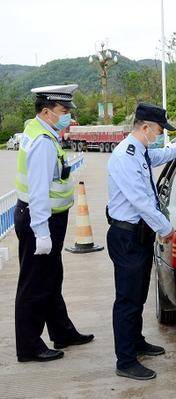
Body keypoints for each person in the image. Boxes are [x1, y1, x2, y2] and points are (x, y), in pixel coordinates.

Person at [14, 84, 94, 363]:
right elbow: (37, 192)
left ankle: (62, 331)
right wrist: (41, 233)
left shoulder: (39, 131)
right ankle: (29, 346)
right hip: (40, 219)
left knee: (50, 278)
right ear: (47, 112)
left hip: (45, 218)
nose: (68, 116)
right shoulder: (43, 143)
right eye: (63, 111)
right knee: (34, 284)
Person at [106, 103, 176, 380]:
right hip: (126, 235)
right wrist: (165, 227)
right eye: (160, 129)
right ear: (146, 127)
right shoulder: (125, 156)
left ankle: (136, 341)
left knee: (138, 294)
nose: (161, 134)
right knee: (127, 298)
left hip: (138, 234)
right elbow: (140, 199)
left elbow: (161, 155)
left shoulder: (139, 150)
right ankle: (125, 361)